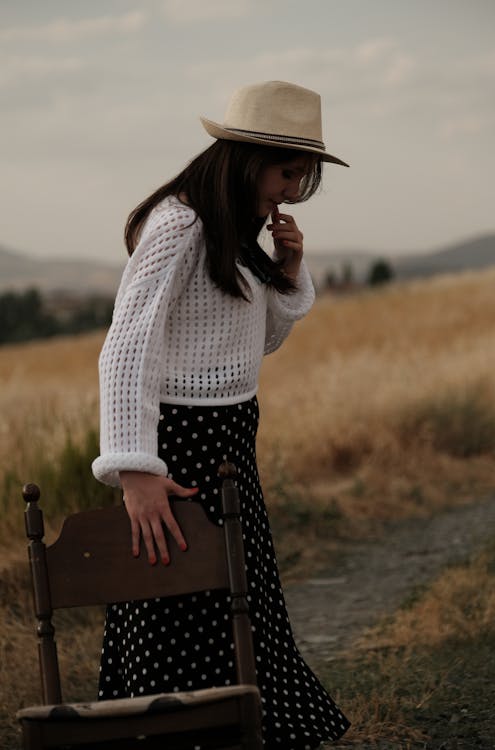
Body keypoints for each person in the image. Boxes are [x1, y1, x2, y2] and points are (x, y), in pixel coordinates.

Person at [92, 80, 350, 748]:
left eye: (303, 176)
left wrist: (287, 270)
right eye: (288, 171)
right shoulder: (180, 224)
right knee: (177, 606)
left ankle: (247, 730)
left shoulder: (231, 232)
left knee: (242, 600)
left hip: (233, 439)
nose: (292, 190)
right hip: (179, 448)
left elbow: (252, 343)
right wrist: (134, 469)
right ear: (246, 157)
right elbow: (127, 345)